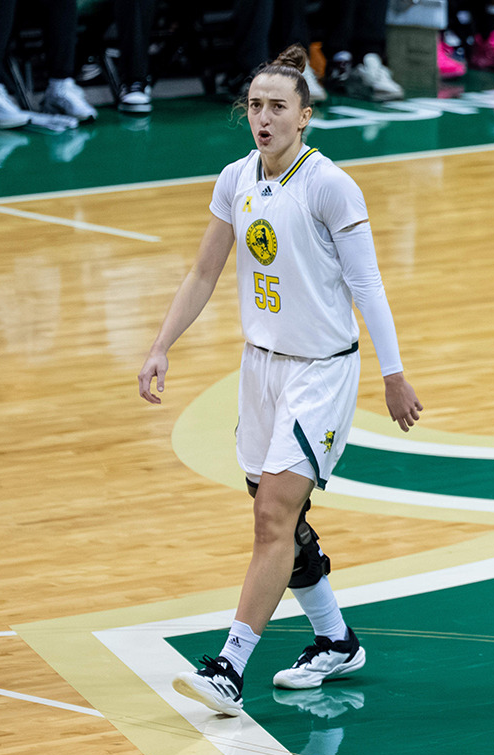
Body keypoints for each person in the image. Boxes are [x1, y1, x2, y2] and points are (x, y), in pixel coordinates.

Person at [136, 46, 424, 717]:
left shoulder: (329, 185)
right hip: (260, 371)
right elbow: (204, 272)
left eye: (276, 108)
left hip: (321, 374)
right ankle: (335, 639)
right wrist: (160, 345)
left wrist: (393, 373)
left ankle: (229, 668)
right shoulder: (236, 178)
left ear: (305, 117)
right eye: (255, 107)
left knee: (272, 517)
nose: (262, 119)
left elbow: (367, 285)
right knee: (283, 526)